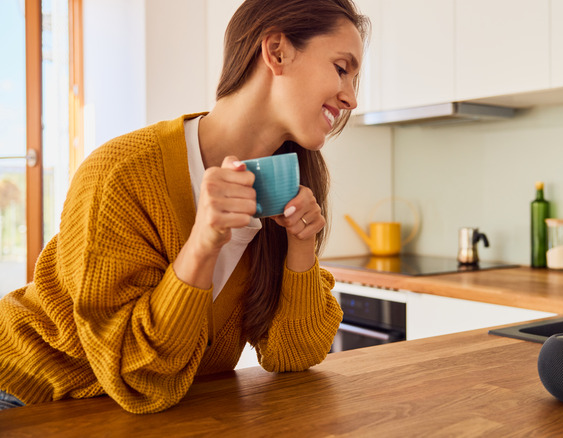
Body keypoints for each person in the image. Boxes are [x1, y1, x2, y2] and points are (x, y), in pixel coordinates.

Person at [0, 0, 367, 414]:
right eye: (341, 68)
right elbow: (137, 375)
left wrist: (300, 246)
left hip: (157, 411)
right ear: (277, 51)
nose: (351, 98)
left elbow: (293, 356)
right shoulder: (121, 172)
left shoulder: (289, 182)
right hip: (27, 395)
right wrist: (202, 245)